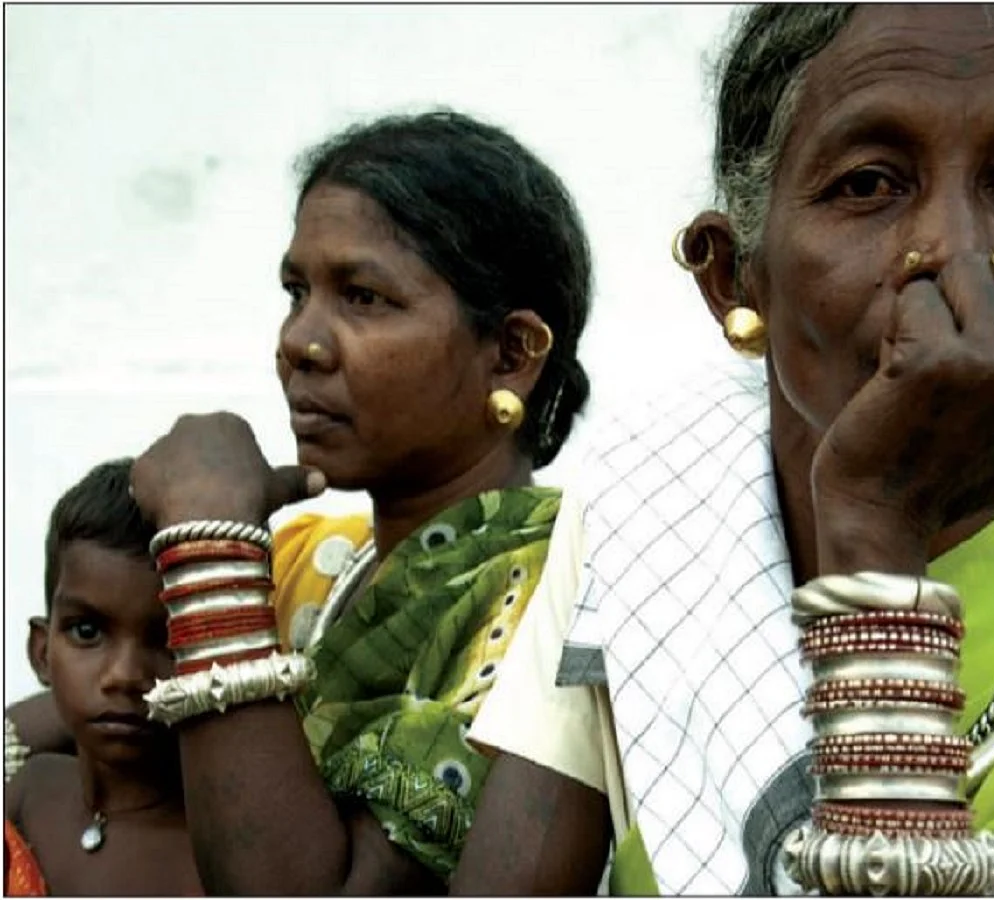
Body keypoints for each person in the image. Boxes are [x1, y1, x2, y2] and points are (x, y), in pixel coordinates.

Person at [451, 5, 994, 896]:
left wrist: (878, 528)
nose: (956, 251)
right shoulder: (650, 516)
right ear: (733, 276)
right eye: (869, 183)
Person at [113, 108, 594, 894]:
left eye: (363, 297)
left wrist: (210, 550)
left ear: (511, 354)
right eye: (296, 291)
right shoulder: (312, 560)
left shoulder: (551, 596)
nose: (299, 341)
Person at [4, 458, 202, 896]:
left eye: (169, 639)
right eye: (87, 632)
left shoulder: (214, 852)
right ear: (41, 652)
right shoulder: (31, 790)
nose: (125, 675)